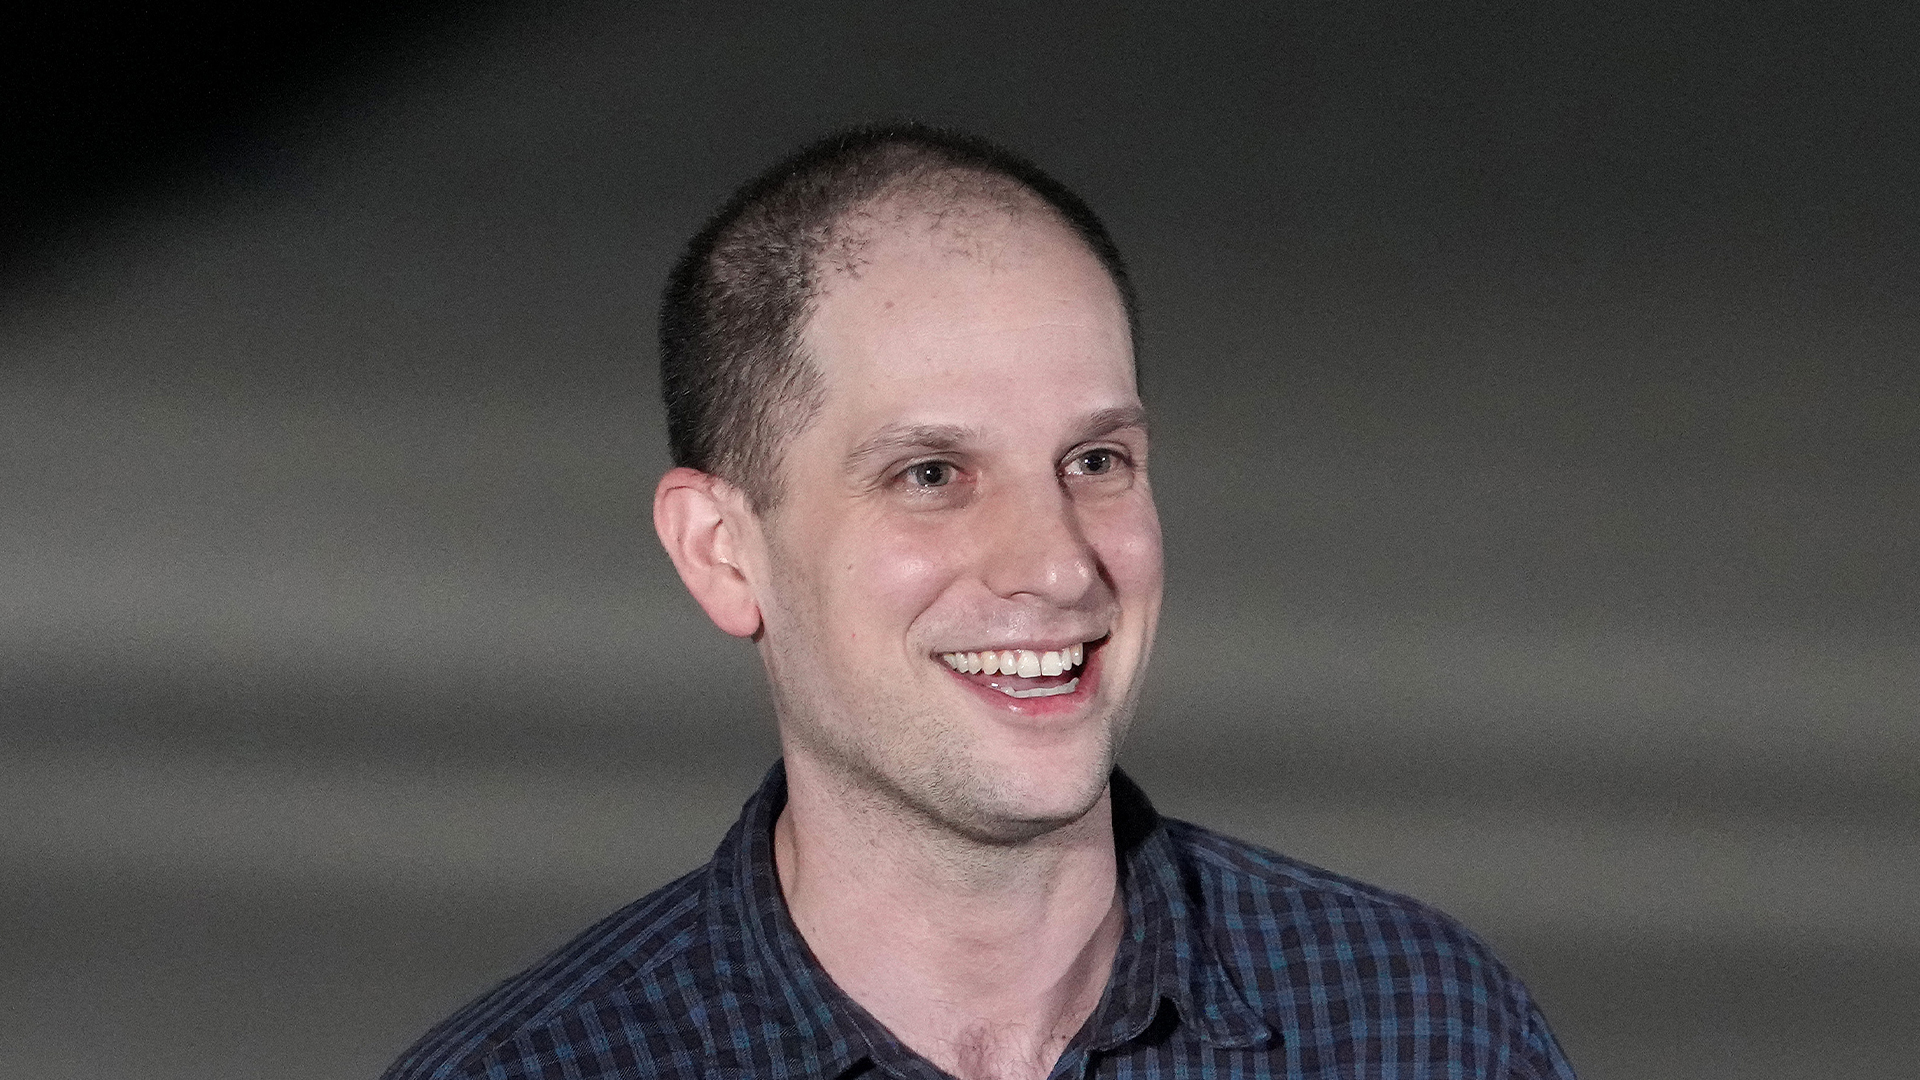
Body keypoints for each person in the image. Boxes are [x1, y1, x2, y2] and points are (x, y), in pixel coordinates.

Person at [382, 124, 1577, 1080]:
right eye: (933, 477)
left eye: (1096, 461)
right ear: (721, 551)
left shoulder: (1419, 1033)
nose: (1057, 566)